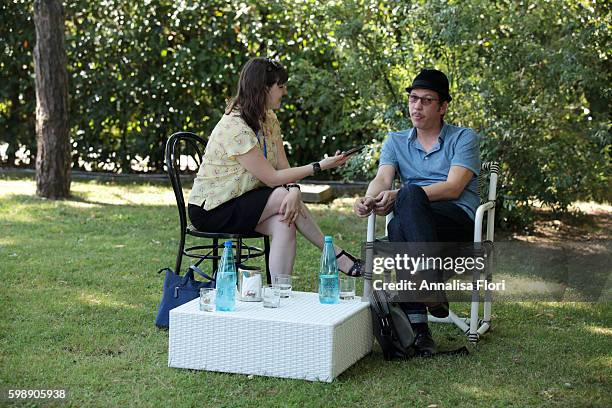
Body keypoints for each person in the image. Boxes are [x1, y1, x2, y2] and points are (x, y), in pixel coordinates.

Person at [188, 57, 364, 281]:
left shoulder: (268, 118)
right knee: (281, 197)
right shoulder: (235, 127)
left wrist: (294, 190)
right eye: (280, 87)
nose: (285, 91)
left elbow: (282, 165)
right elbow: (271, 178)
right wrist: (318, 166)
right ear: (263, 89)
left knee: (285, 222)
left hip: (243, 200)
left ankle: (280, 294)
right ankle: (334, 254)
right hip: (212, 209)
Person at [353, 69, 480, 357]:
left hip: (455, 221)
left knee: (408, 199)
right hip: (415, 227)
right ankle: (422, 327)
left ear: (443, 106)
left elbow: (453, 187)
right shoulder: (396, 141)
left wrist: (401, 194)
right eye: (413, 99)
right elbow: (383, 178)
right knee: (399, 228)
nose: (417, 106)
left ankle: (421, 316)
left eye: (426, 100)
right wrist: (368, 198)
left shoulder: (464, 138)